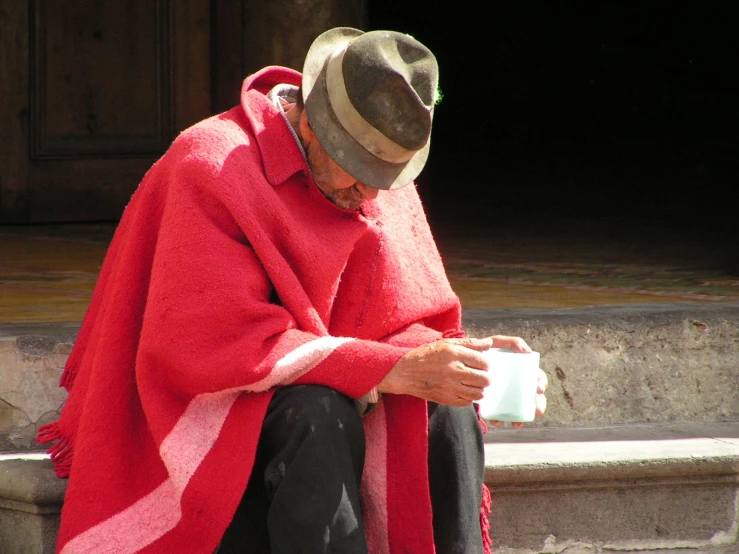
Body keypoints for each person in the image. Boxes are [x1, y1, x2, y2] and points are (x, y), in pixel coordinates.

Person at [38, 27, 547, 554]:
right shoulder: (211, 163)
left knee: (445, 410)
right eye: (357, 170)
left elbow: (402, 323)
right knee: (318, 413)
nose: (369, 193)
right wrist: (390, 369)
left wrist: (464, 362)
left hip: (329, 391)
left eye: (387, 176)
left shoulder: (372, 179)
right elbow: (214, 343)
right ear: (309, 122)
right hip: (222, 418)